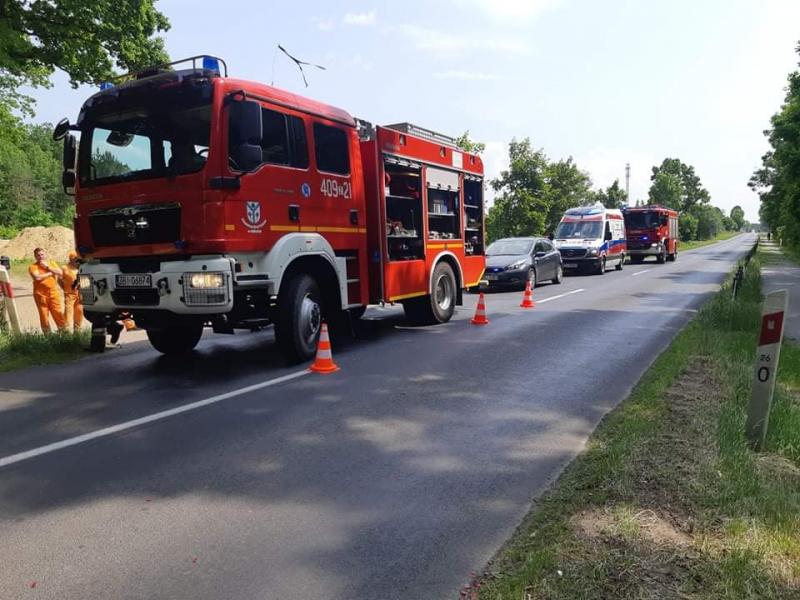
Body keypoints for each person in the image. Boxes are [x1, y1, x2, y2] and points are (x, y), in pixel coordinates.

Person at [28, 247, 66, 333]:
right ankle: (48, 336)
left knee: (58, 313)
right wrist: (51, 272)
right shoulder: (33, 266)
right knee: (44, 315)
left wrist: (48, 267)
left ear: (45, 254)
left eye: (42, 254)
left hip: (53, 293)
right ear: (35, 256)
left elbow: (60, 272)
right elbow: (37, 277)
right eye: (38, 255)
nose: (40, 256)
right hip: (40, 295)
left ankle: (64, 333)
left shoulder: (51, 263)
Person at [60, 250, 83, 332]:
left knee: (79, 312)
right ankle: (66, 331)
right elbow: (59, 280)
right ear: (71, 259)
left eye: (78, 258)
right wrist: (65, 288)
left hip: (80, 294)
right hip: (69, 294)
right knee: (68, 313)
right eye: (75, 258)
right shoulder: (64, 268)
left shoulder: (81, 267)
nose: (77, 260)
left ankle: (77, 331)